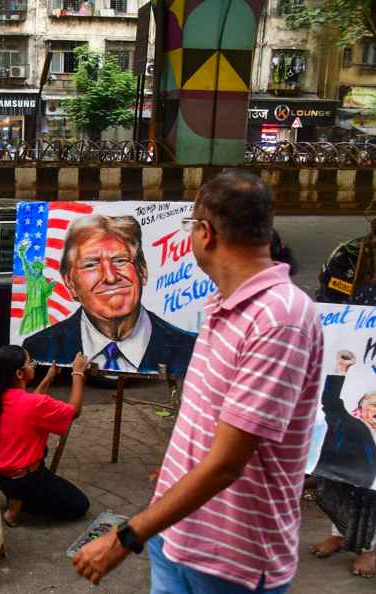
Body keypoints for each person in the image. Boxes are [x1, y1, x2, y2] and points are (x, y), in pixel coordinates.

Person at [72, 170, 323, 593]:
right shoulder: (223, 302)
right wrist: (176, 469)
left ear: (205, 233)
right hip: (178, 539)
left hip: (229, 563)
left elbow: (227, 463)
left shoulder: (279, 319)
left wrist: (125, 538)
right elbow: (215, 421)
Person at [22, 214, 197, 378]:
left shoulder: (191, 349)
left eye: (120, 260)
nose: (111, 277)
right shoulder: (40, 348)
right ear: (70, 283)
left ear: (142, 271)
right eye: (91, 265)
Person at [0, 345, 91, 527]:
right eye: (30, 363)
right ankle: (20, 503)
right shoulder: (35, 404)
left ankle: (17, 501)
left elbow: (29, 408)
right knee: (80, 505)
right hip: (26, 479)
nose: (33, 366)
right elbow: (74, 411)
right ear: (20, 374)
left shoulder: (0, 396)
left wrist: (48, 379)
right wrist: (78, 374)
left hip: (0, 476)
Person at [310, 351, 376, 578]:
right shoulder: (354, 423)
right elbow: (331, 403)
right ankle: (338, 535)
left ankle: (370, 550)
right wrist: (342, 370)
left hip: (370, 487)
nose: (375, 411)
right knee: (335, 492)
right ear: (362, 405)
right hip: (348, 476)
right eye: (372, 404)